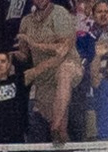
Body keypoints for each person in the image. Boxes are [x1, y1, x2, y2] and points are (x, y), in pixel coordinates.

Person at [18, 0, 81, 139]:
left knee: (65, 72)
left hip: (67, 65)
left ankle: (56, 126)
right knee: (57, 135)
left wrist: (35, 44)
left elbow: (63, 47)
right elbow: (24, 54)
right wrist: (12, 55)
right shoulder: (26, 21)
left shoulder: (60, 13)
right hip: (44, 77)